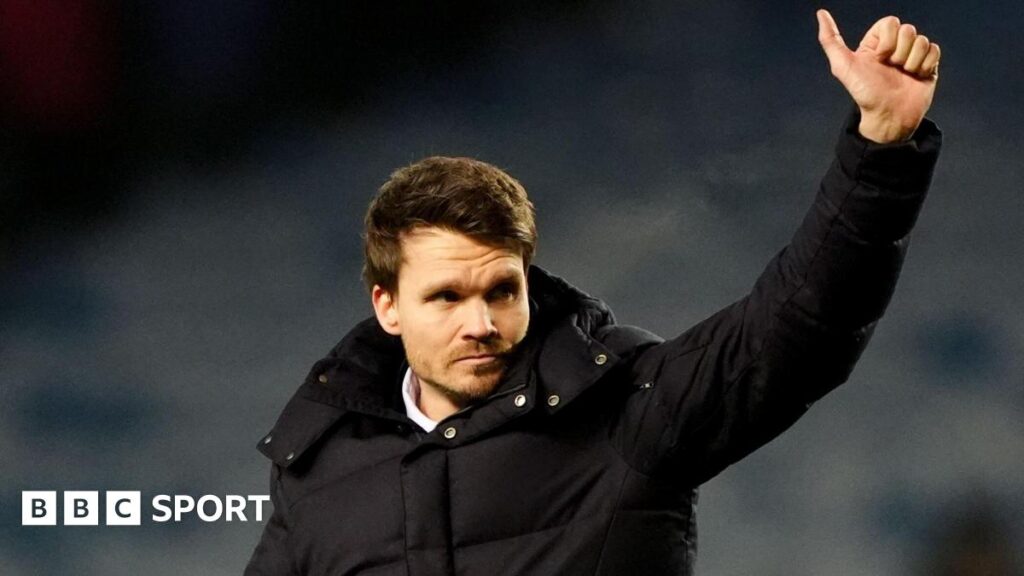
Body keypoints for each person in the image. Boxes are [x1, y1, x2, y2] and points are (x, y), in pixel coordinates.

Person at [245, 10, 942, 575]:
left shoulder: (627, 409)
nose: (481, 321)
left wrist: (882, 148)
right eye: (446, 297)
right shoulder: (319, 469)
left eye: (501, 289)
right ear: (387, 307)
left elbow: (801, 329)